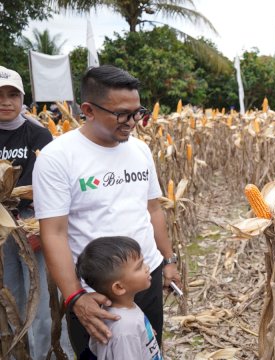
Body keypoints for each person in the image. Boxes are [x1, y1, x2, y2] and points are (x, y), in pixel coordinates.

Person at [33, 65, 181, 359]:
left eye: (137, 112)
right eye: (122, 114)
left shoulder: (140, 150)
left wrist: (167, 260)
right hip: (98, 292)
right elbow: (53, 233)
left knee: (150, 350)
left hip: (145, 275)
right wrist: (76, 297)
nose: (132, 123)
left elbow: (153, 210)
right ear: (88, 109)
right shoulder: (57, 157)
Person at [0, 65, 73, 359]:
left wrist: (39, 225)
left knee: (41, 298)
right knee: (10, 296)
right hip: (1, 229)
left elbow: (52, 184)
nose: (5, 101)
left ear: (22, 97)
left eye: (12, 95)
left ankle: (50, 353)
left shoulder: (38, 135)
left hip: (32, 223)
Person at [76, 236, 162, 360]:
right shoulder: (125, 330)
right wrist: (132, 335)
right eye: (139, 267)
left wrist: (144, 333)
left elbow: (95, 347)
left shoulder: (113, 310)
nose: (147, 267)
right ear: (119, 287)